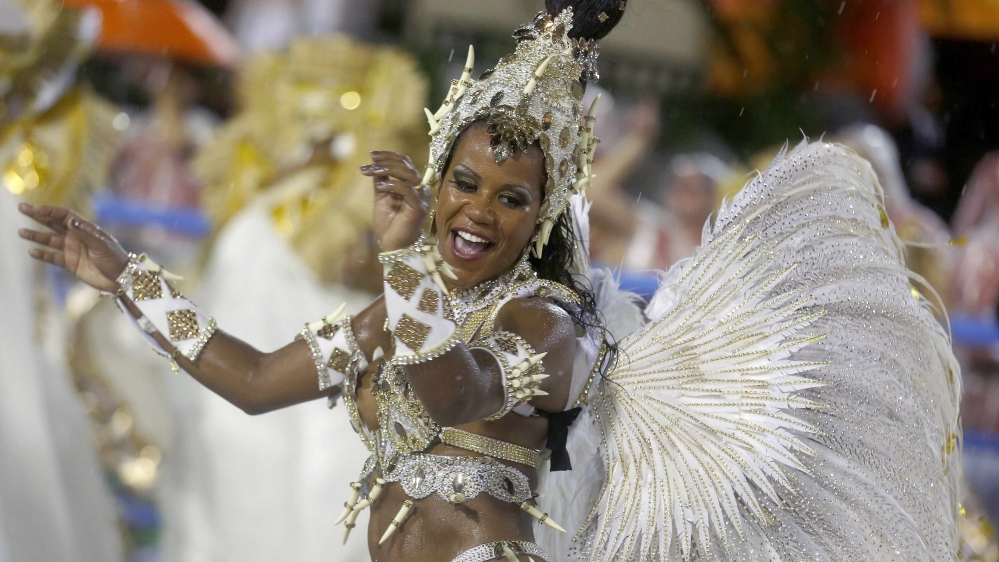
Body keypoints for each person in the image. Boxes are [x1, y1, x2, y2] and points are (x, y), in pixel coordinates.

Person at [17, 1, 963, 561]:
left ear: (542, 220)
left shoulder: (551, 325)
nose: (478, 211)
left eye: (512, 199)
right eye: (465, 184)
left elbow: (447, 385)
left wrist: (398, 269)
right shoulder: (408, 303)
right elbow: (257, 380)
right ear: (436, 184)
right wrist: (124, 278)